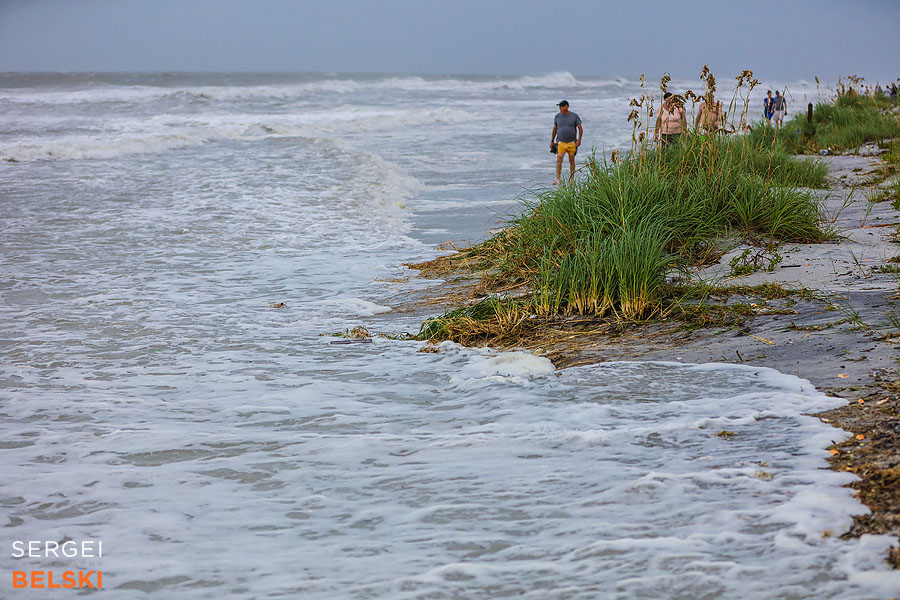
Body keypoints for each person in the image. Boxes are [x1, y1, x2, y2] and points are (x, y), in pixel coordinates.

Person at [550, 100, 583, 184]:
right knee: (559, 159)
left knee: (571, 160)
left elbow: (580, 128)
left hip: (572, 142)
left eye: (561, 106)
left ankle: (572, 179)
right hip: (561, 142)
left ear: (566, 106)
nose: (560, 108)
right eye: (559, 107)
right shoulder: (557, 116)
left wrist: (579, 140)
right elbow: (555, 129)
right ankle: (558, 179)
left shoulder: (574, 116)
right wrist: (552, 141)